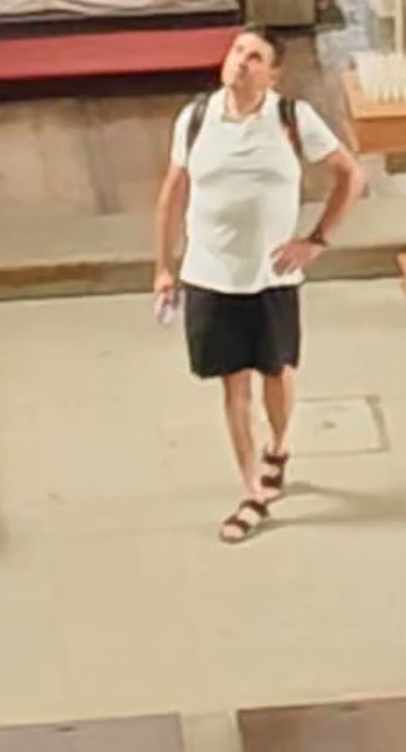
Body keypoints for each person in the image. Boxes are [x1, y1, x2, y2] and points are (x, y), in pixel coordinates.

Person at [152, 29, 361, 538]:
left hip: (271, 275)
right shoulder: (197, 117)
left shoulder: (291, 119)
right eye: (237, 52)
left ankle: (280, 444)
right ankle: (252, 493)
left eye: (255, 57)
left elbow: (350, 175)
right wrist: (163, 266)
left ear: (273, 74)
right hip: (209, 272)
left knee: (276, 370)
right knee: (234, 383)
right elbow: (171, 194)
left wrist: (316, 240)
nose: (241, 62)